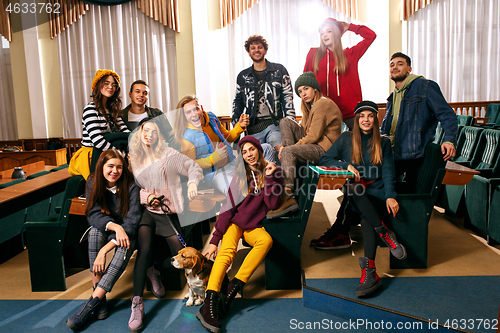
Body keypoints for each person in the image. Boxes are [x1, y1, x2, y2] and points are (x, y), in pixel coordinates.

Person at [319, 101, 406, 297]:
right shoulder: (346, 139)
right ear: (357, 119)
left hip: (377, 193)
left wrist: (391, 197)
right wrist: (346, 166)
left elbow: (388, 173)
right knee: (354, 186)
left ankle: (369, 272)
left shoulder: (383, 142)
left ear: (375, 119)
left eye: (370, 116)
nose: (366, 120)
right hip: (357, 193)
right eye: (362, 116)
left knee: (367, 218)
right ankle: (384, 232)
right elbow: (324, 160)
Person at [197, 135, 283, 333]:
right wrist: (214, 239)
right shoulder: (239, 176)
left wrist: (270, 176)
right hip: (234, 223)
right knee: (225, 254)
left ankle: (232, 288)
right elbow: (227, 210)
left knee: (266, 241)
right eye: (244, 152)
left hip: (253, 225)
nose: (248, 155)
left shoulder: (272, 172)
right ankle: (209, 303)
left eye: (251, 149)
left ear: (259, 150)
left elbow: (273, 204)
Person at [127, 117, 203, 332]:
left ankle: (155, 269)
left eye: (154, 131)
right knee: (144, 250)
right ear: (139, 135)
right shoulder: (136, 159)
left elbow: (194, 168)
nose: (149, 135)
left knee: (181, 256)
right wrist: (147, 198)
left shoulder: (169, 155)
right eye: (145, 131)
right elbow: (134, 188)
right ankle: (137, 303)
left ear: (159, 136)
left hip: (168, 212)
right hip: (146, 213)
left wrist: (192, 184)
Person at [66, 149, 142, 330]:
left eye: (119, 167)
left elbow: (131, 223)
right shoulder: (93, 181)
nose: (114, 171)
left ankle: (90, 305)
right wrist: (115, 227)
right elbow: (92, 214)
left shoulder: (132, 185)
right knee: (93, 233)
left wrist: (104, 250)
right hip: (110, 227)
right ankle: (101, 300)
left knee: (124, 247)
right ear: (102, 166)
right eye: (110, 166)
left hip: (128, 233)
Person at [267, 72, 342, 219]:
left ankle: (287, 195)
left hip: (325, 149)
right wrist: (283, 147)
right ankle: (291, 177)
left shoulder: (322, 103)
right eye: (300, 91)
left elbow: (313, 136)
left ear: (314, 88)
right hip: (314, 146)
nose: (303, 94)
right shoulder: (310, 107)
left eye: (306, 89)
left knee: (288, 151)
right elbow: (303, 131)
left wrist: (287, 150)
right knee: (285, 122)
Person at [382, 52, 458, 193]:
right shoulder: (393, 96)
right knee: (366, 179)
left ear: (409, 69)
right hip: (393, 152)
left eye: (400, 64)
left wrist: (449, 140)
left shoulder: (425, 86)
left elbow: (447, 114)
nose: (395, 67)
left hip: (414, 154)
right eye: (392, 65)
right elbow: (388, 127)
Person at [232, 34, 295, 163]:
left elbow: (288, 99)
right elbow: (237, 104)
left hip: (274, 125)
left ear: (265, 50)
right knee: (255, 162)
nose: (256, 50)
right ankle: (258, 183)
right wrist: (236, 129)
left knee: (279, 155)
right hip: (253, 128)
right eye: (253, 48)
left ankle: (279, 182)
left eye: (260, 47)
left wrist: (290, 127)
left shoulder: (279, 71)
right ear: (249, 52)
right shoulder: (242, 76)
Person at [303, 18, 376, 130]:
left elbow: (371, 36)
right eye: (322, 33)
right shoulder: (314, 54)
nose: (324, 35)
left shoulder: (350, 55)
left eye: (329, 31)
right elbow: (305, 84)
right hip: (324, 114)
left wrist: (350, 27)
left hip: (350, 114)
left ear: (337, 33)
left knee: (354, 147)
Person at [174, 95, 249, 195]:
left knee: (253, 181)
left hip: (232, 162)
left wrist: (240, 126)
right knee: (236, 191)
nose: (194, 114)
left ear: (201, 108)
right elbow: (190, 165)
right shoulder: (187, 138)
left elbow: (227, 137)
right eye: (188, 112)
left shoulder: (212, 118)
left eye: (195, 109)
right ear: (184, 117)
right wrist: (214, 158)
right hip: (215, 174)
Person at [68, 69, 130, 180]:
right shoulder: (90, 109)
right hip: (92, 154)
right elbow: (97, 140)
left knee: (126, 138)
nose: (110, 87)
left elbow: (124, 131)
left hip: (108, 152)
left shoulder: (113, 110)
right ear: (98, 85)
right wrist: (118, 154)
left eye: (114, 85)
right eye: (106, 83)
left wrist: (134, 144)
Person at [120, 80, 180, 151]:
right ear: (130, 94)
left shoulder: (156, 114)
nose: (141, 95)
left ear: (147, 97)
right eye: (137, 91)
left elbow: (171, 137)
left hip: (153, 156)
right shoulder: (121, 115)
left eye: (145, 93)